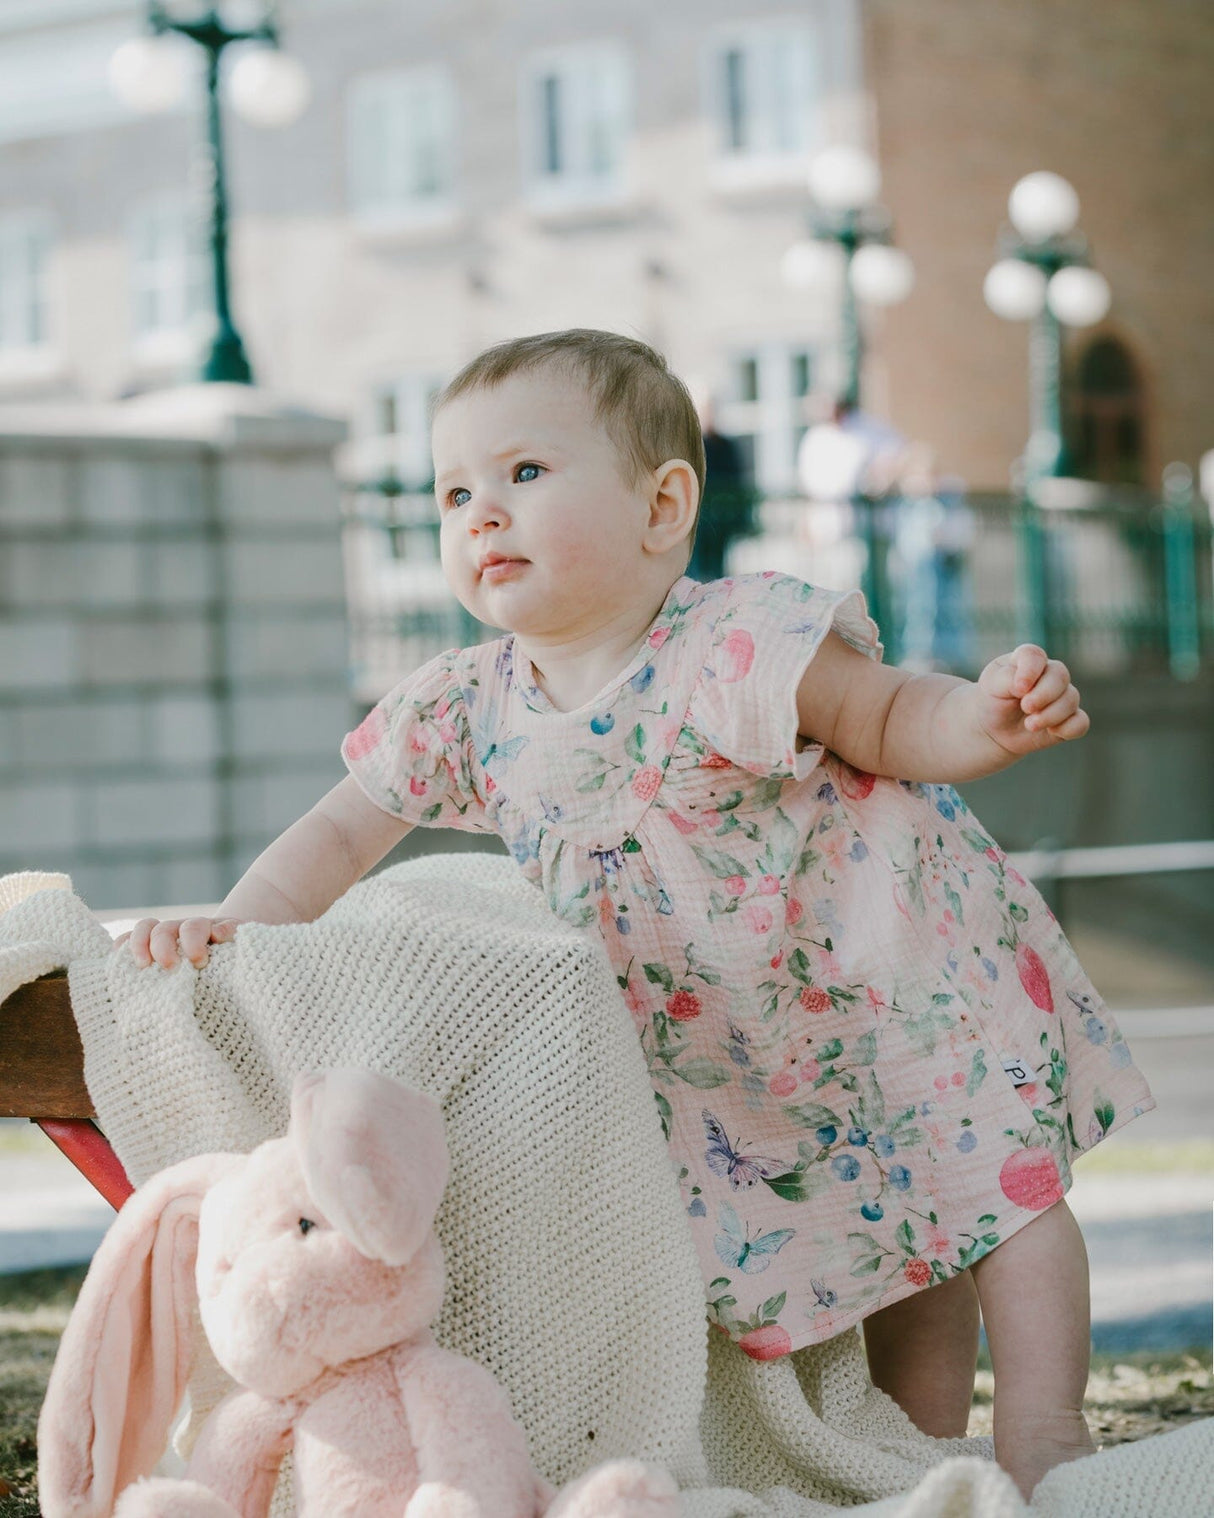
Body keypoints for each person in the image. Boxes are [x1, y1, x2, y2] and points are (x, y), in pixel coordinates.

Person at [120, 329, 1154, 1501]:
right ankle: (903, 1459)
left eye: (523, 474)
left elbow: (884, 714)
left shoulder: (732, 642)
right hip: (725, 1049)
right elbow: (339, 833)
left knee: (991, 1202)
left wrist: (982, 720)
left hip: (891, 980)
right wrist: (239, 923)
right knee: (889, 1252)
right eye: (454, 491)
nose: (481, 514)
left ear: (662, 506)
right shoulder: (467, 705)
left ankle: (1043, 1435)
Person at [686, 387, 754, 582]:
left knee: (718, 568)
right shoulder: (694, 445)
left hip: (721, 517)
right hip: (700, 520)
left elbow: (736, 479)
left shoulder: (725, 445)